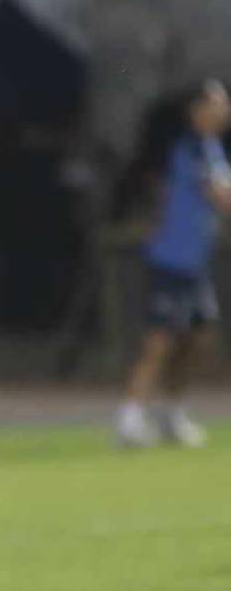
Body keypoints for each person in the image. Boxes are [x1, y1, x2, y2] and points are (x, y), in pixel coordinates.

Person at [116, 77, 231, 448]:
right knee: (159, 340)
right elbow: (220, 196)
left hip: (195, 263)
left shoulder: (213, 147)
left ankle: (171, 413)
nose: (224, 109)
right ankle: (130, 418)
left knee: (198, 338)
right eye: (216, 103)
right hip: (171, 260)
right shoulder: (189, 148)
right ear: (196, 110)